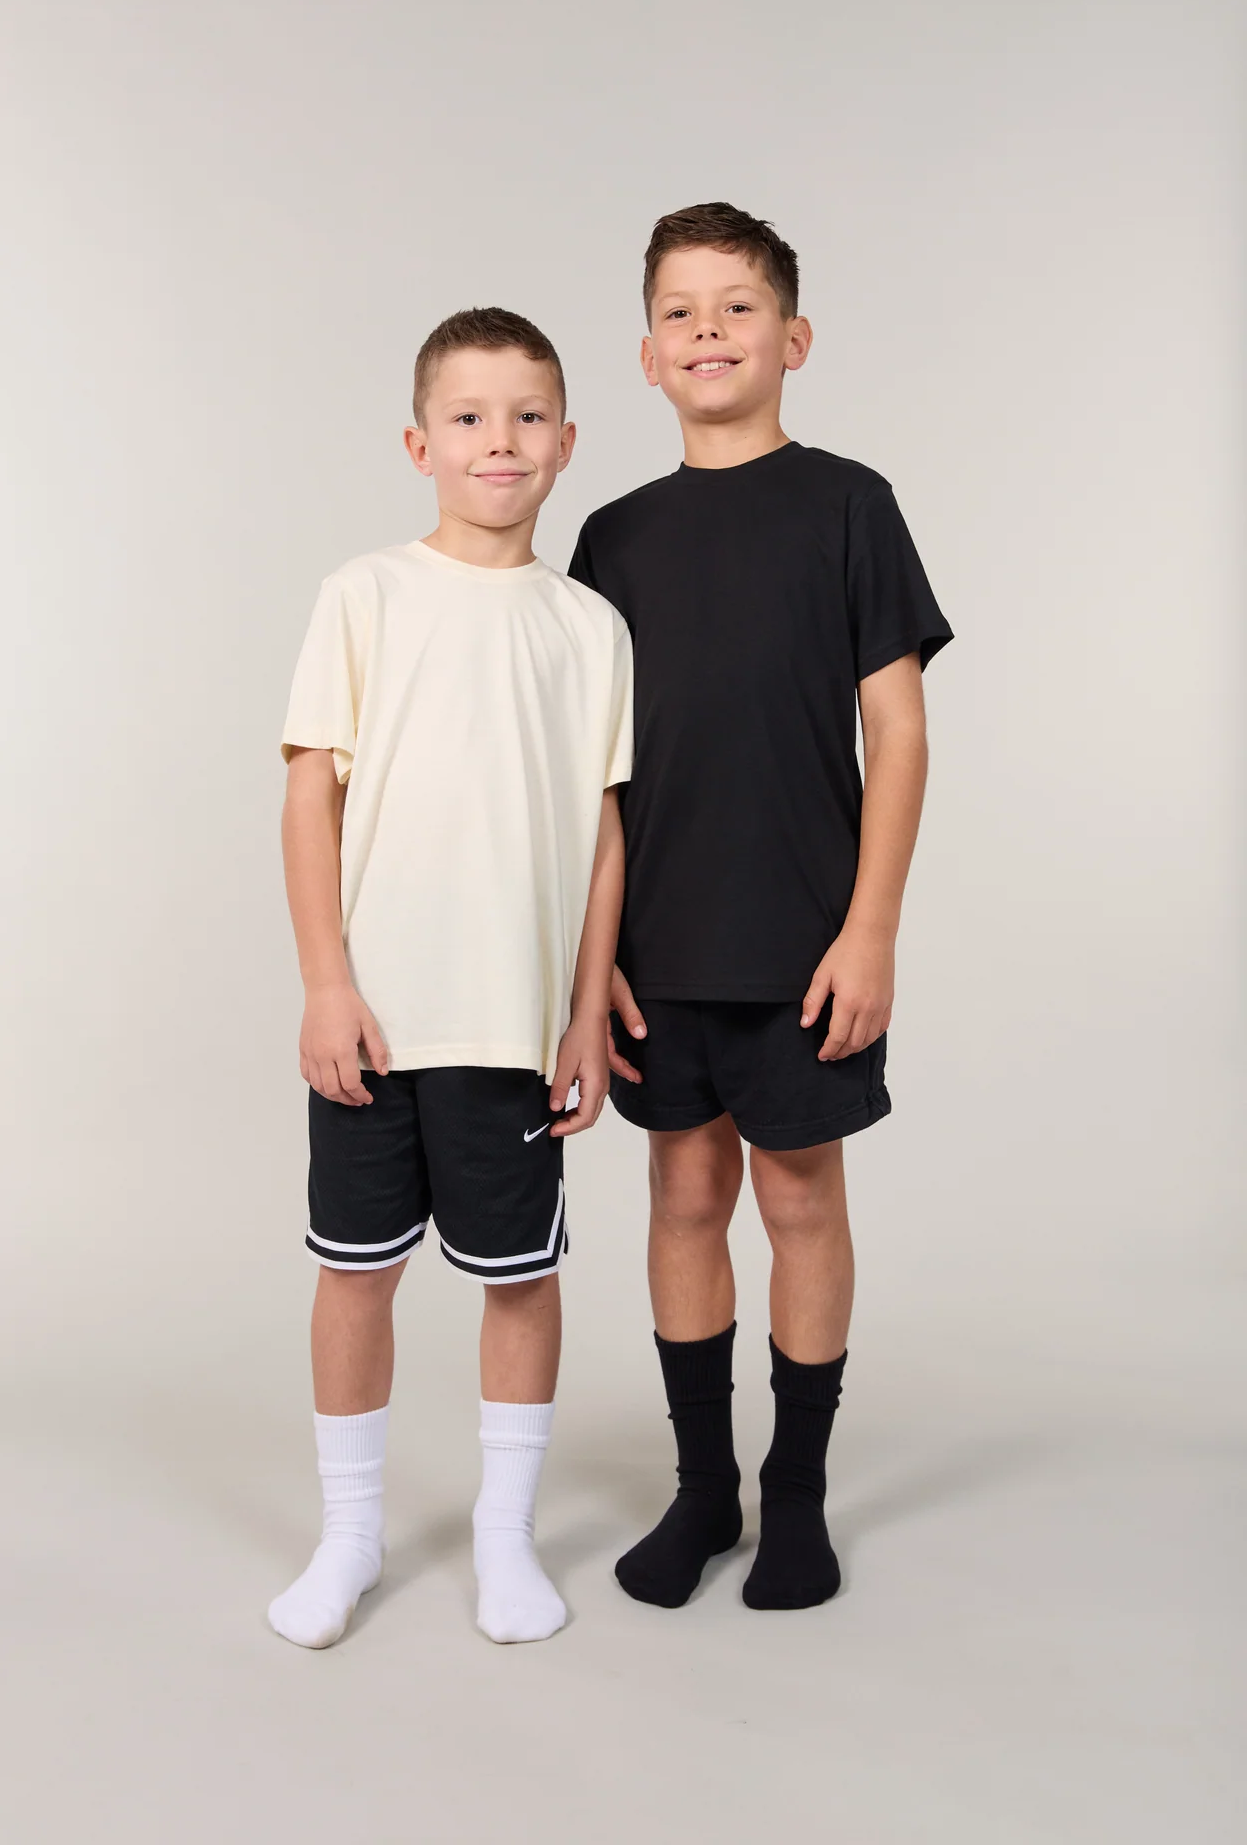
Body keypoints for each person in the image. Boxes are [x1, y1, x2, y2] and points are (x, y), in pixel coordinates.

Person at [569, 202, 952, 1612]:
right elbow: (592, 775)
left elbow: (897, 732)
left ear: (793, 338)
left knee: (798, 1198)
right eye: (680, 311)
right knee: (682, 1194)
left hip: (804, 940)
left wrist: (871, 929)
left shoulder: (850, 505)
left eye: (738, 307)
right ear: (647, 355)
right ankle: (702, 1489)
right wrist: (593, 960)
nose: (709, 331)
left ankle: (796, 1496)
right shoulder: (612, 538)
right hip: (657, 946)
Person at [271, 307, 632, 1648]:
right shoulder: (363, 595)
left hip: (511, 1026)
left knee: (517, 1275)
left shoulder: (590, 627)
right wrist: (326, 984)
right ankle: (350, 1535)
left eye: (528, 416)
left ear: (567, 443)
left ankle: (503, 1538)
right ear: (421, 443)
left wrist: (585, 1009)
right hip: (375, 1017)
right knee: (355, 1272)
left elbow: (605, 833)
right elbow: (309, 798)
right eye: (470, 417)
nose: (501, 440)